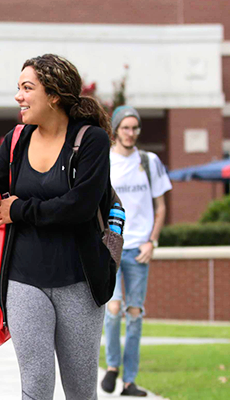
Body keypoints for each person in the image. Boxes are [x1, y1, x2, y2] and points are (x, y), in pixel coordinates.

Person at [0, 54, 117, 400]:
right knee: (35, 384)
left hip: (79, 281)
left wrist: (20, 209)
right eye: (18, 88)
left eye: (27, 88)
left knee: (80, 390)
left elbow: (80, 206)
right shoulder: (16, 139)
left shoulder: (91, 140)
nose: (18, 96)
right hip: (23, 279)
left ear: (54, 95)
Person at [101, 106, 172, 397]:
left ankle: (129, 381)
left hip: (139, 249)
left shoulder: (149, 161)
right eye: (126, 127)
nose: (131, 133)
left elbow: (161, 206)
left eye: (135, 128)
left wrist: (152, 241)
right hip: (112, 247)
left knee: (134, 313)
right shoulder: (105, 161)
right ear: (116, 129)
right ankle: (113, 367)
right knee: (114, 309)